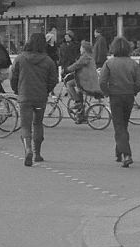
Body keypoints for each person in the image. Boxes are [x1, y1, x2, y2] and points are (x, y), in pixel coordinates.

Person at [10, 32, 58, 167]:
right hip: (40, 98)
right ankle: (37, 153)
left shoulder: (20, 58)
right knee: (37, 123)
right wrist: (46, 90)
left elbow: (13, 76)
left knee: (25, 125)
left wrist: (17, 90)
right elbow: (53, 80)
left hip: (25, 96)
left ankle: (28, 149)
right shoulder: (48, 60)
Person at [100, 37, 140, 167]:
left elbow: (102, 81)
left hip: (115, 95)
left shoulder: (109, 63)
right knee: (123, 125)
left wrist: (107, 92)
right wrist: (134, 91)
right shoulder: (133, 64)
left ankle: (126, 154)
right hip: (129, 95)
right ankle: (119, 152)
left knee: (119, 125)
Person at [65, 40, 102, 123]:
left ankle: (77, 102)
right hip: (88, 79)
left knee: (69, 84)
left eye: (81, 47)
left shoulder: (85, 57)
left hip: (86, 81)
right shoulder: (89, 56)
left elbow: (77, 65)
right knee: (79, 92)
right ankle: (81, 116)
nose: (80, 49)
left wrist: (66, 70)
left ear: (84, 49)